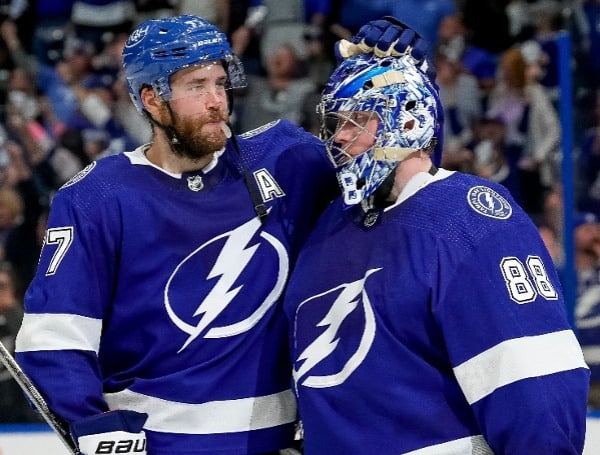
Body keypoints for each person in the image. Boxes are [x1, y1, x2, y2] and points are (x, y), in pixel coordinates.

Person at [12, 13, 427, 455]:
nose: (217, 101)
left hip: (281, 441)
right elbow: (54, 336)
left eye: (219, 82)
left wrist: (413, 83)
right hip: (160, 444)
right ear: (152, 100)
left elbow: (399, 174)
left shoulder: (285, 160)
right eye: (196, 86)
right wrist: (90, 420)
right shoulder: (97, 197)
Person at [282, 52, 590, 454]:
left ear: (406, 121)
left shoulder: (466, 214)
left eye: (357, 119)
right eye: (337, 123)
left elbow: (533, 379)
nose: (339, 136)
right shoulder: (331, 224)